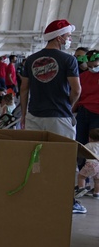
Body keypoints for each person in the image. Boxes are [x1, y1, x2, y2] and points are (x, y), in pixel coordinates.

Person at [20, 19, 83, 217]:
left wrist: (23, 115)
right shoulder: (68, 60)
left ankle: (35, 195)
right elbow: (76, 89)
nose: (69, 38)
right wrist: (68, 106)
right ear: (59, 37)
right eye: (68, 35)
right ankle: (66, 200)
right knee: (63, 159)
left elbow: (24, 89)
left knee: (36, 158)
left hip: (34, 115)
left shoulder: (30, 59)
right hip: (59, 117)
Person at [75, 128, 99, 198]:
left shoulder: (89, 145)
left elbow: (82, 152)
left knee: (81, 176)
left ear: (90, 138)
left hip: (91, 164)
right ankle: (96, 193)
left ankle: (81, 188)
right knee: (97, 180)